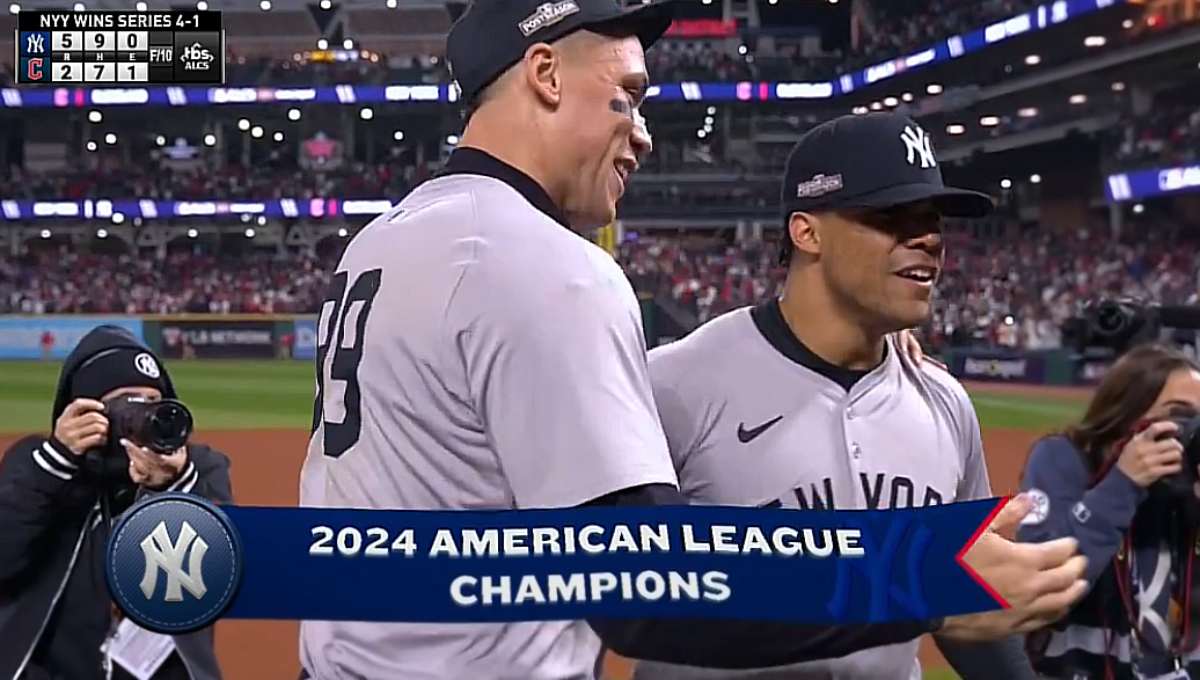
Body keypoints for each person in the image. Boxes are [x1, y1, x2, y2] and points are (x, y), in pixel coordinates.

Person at [297, 3, 1087, 679]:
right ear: (545, 74)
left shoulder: (382, 240)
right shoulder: (547, 265)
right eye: (627, 98)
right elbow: (642, 586)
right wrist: (917, 583)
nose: (641, 135)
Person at [630, 111, 1042, 680]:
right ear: (807, 231)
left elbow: (964, 612)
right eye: (892, 216)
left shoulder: (945, 404)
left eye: (933, 219)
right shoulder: (676, 386)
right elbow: (610, 588)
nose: (928, 238)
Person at [0, 325, 231, 680]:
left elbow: (218, 574)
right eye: (127, 403)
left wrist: (173, 490)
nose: (142, 417)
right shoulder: (38, 465)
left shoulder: (200, 468)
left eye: (153, 403)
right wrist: (56, 463)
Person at [1017, 344, 1200, 679]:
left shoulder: (1186, 485)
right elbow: (1040, 586)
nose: (1193, 431)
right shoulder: (1064, 460)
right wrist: (1123, 484)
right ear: (1127, 416)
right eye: (1180, 414)